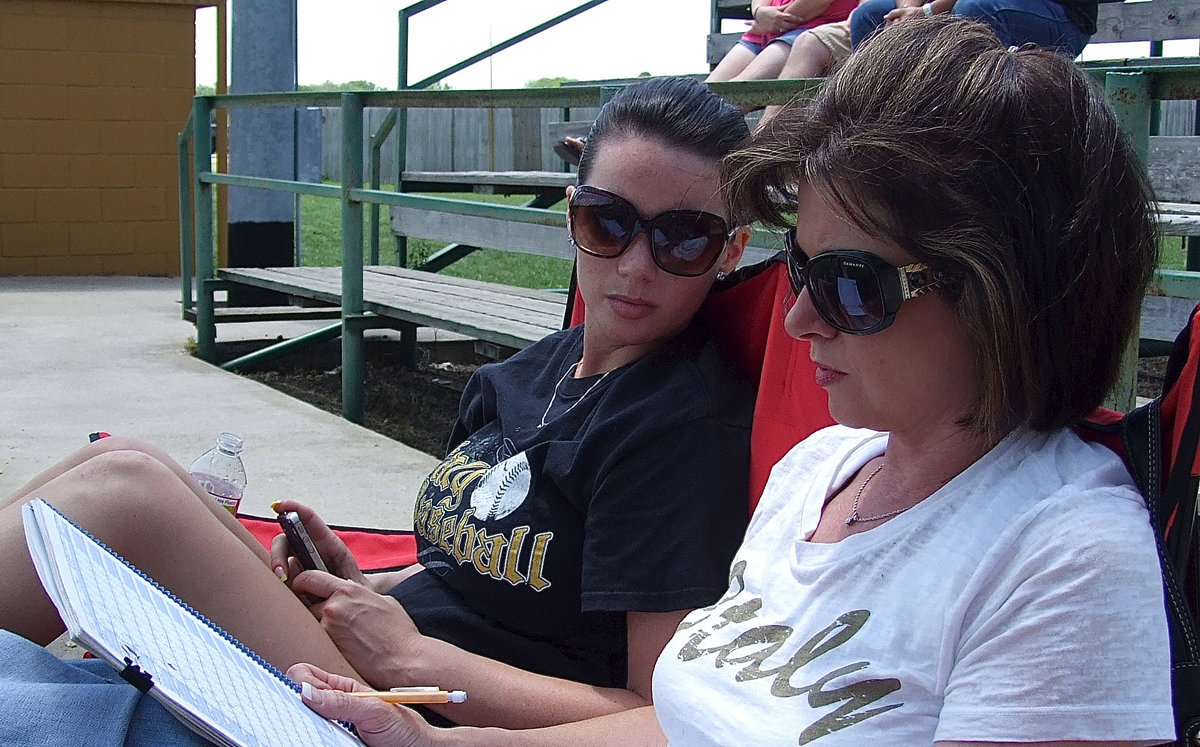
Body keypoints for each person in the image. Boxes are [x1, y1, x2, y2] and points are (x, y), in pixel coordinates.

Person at [290, 17, 1177, 744]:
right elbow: (676, 725)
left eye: (853, 286)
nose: (797, 321)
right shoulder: (819, 470)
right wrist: (441, 740)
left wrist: (423, 671)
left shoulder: (1062, 559)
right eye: (801, 268)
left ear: (1005, 295)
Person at [0, 76, 756, 739]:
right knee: (120, 456)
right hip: (365, 654)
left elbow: (657, 713)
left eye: (683, 238)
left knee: (127, 492)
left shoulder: (677, 426)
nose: (634, 265)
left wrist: (412, 655)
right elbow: (463, 576)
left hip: (405, 715)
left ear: (729, 250)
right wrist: (360, 584)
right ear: (571, 214)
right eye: (609, 221)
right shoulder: (522, 376)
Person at [849, 0, 1094, 56]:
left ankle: (972, 123)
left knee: (974, 10)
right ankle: (882, 124)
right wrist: (903, 15)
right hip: (956, 7)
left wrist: (925, 13)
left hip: (1060, 16)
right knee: (869, 18)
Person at [707, 0, 858, 85]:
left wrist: (774, 21)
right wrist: (759, 11)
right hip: (763, 32)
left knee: (737, 89)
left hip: (807, 29)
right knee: (707, 91)